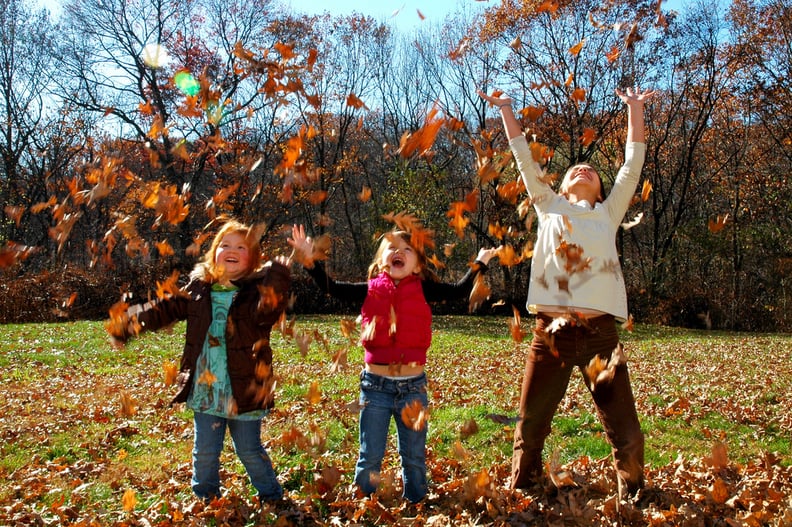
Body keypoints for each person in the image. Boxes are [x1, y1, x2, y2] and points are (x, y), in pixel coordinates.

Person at [477, 87, 655, 499]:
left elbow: (633, 163)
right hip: (550, 337)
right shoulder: (548, 204)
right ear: (560, 183)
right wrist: (506, 109)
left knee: (626, 431)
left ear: (600, 189)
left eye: (591, 170)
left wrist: (635, 109)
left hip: (600, 338)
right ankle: (524, 492)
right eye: (575, 168)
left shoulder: (608, 214)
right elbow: (523, 157)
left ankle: (633, 496)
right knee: (530, 425)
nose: (583, 170)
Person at [288, 224, 498, 503]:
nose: (399, 252)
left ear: (417, 265)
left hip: (413, 389)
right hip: (375, 387)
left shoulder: (424, 289)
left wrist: (480, 262)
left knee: (413, 455)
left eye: (407, 249)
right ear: (380, 260)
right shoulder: (370, 290)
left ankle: (417, 501)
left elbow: (460, 291)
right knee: (370, 454)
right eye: (392, 248)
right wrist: (309, 259)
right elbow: (333, 288)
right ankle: (364, 503)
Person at [106, 219, 291, 505]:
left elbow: (271, 309)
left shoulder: (255, 294)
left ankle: (272, 496)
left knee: (250, 449)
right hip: (206, 390)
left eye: (241, 247)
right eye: (225, 245)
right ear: (214, 252)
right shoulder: (198, 289)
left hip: (244, 390)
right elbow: (162, 309)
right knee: (205, 450)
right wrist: (127, 325)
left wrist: (279, 272)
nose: (231, 250)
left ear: (252, 258)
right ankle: (205, 498)